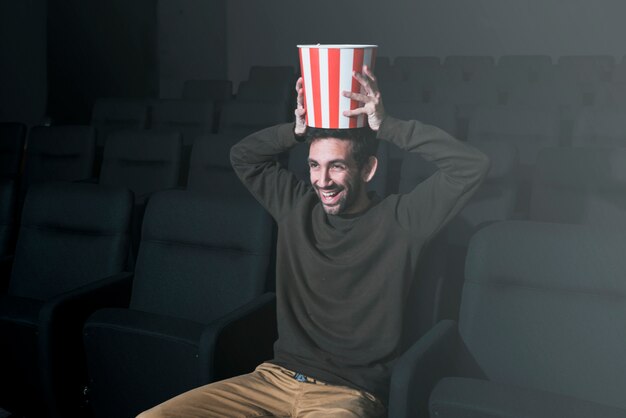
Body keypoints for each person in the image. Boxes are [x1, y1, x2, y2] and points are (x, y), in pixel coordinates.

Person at [138, 66, 490, 418]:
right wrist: (296, 130)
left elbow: (471, 166)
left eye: (336, 167)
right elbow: (242, 156)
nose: (323, 181)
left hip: (348, 395)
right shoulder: (295, 207)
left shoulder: (403, 219)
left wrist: (388, 126)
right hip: (273, 381)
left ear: (367, 169)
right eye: (314, 166)